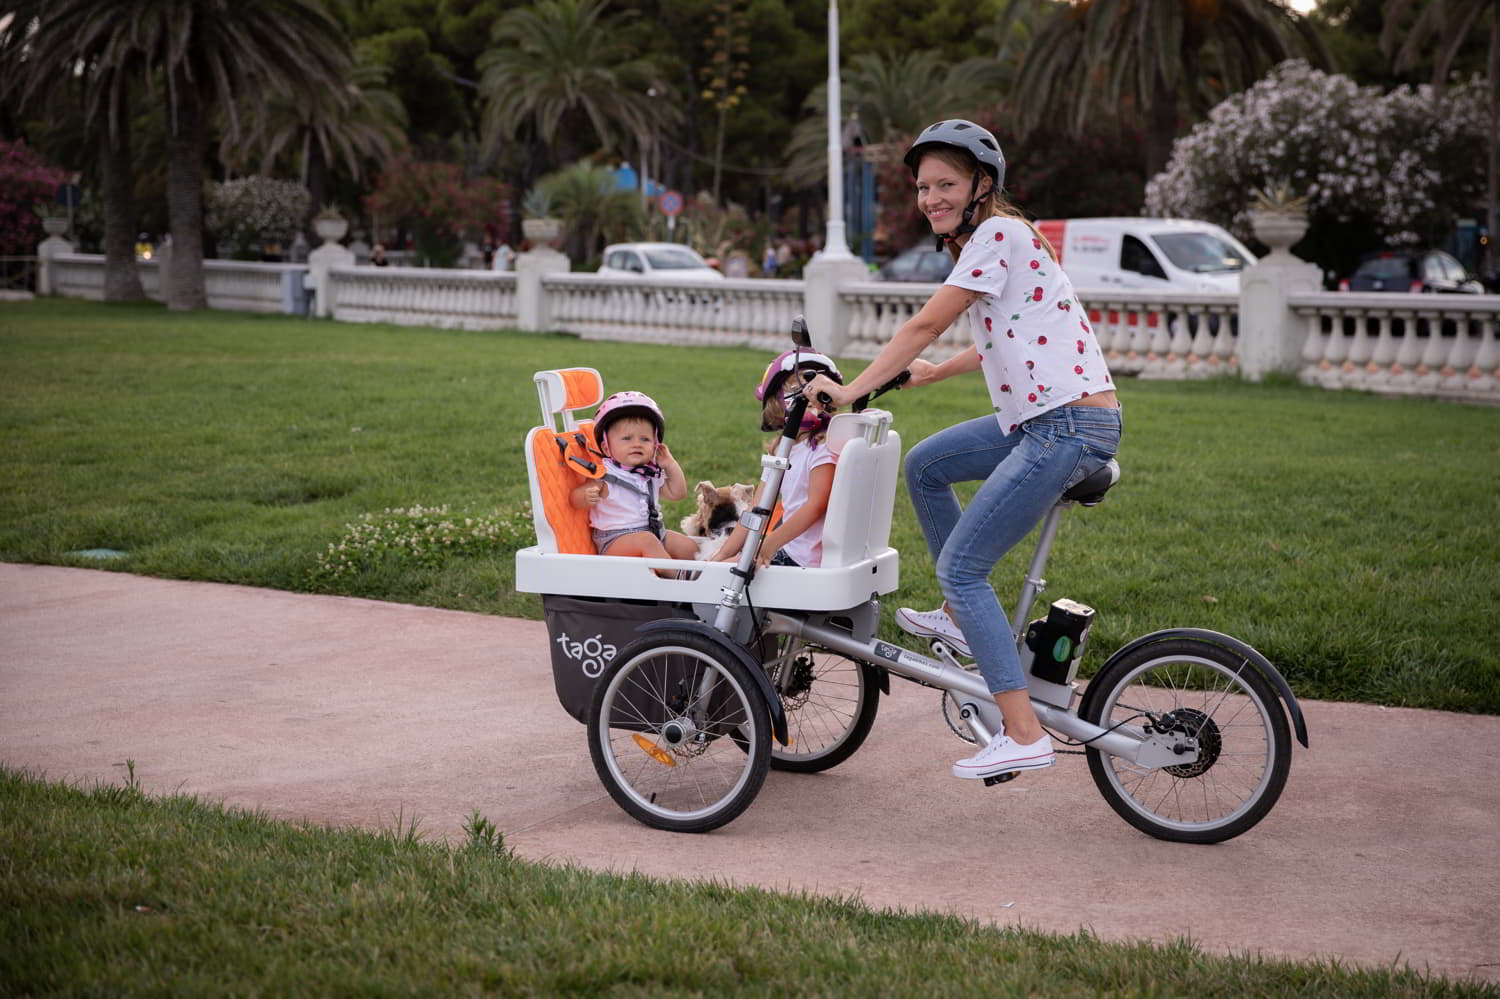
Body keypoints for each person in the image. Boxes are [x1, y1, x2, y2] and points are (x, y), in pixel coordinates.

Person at [804, 119, 1121, 782]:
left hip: (1063, 427)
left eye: (945, 183)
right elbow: (1002, 333)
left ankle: (1023, 731)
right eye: (923, 186)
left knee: (963, 568)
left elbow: (926, 321)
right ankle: (957, 622)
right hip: (1046, 421)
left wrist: (850, 390)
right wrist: (932, 373)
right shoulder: (995, 241)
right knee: (926, 464)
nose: (930, 196)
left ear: (982, 185)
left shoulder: (999, 233)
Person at [713, 350, 842, 568]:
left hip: (802, 558)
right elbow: (757, 509)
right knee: (719, 567)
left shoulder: (823, 447)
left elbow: (816, 505)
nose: (810, 397)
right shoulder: (783, 450)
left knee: (728, 572)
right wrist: (720, 555)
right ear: (778, 401)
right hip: (788, 548)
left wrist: (771, 542)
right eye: (799, 390)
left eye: (818, 391)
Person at [572, 391, 699, 565]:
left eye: (645, 439)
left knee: (689, 547)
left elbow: (678, 493)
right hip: (614, 542)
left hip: (653, 533)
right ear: (607, 448)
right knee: (646, 541)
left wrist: (670, 464)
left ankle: (705, 571)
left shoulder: (649, 473)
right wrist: (585, 497)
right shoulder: (606, 474)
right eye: (627, 438)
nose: (637, 443)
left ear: (655, 445)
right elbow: (575, 499)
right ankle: (677, 576)